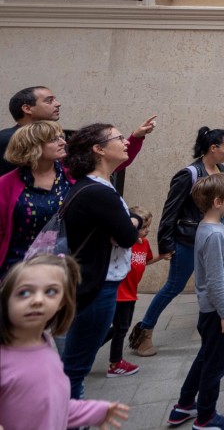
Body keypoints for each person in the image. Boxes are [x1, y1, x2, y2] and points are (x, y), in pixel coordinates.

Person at [130, 126, 224, 357]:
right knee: (174, 286)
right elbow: (170, 211)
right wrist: (165, 245)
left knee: (221, 283)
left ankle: (223, 329)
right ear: (213, 148)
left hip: (213, 238)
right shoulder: (189, 174)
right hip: (187, 241)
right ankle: (144, 332)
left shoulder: (221, 169)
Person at [0, 254, 130, 430]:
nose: (38, 300)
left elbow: (55, 409)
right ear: (6, 299)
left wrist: (94, 411)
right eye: (24, 292)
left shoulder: (45, 348)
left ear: (62, 302)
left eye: (51, 291)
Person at [59, 124, 141, 399]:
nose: (125, 141)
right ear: (99, 149)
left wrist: (124, 227)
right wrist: (136, 220)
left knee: (74, 362)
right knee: (76, 367)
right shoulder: (98, 191)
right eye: (119, 138)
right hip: (97, 285)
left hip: (93, 281)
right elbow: (129, 236)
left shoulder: (96, 186)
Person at [167, 172, 224, 430]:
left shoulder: (211, 227)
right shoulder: (213, 234)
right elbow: (214, 280)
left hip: (215, 308)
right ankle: (206, 418)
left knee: (205, 355)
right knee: (216, 364)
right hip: (216, 310)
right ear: (218, 202)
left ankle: (184, 405)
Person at [0, 87, 154, 178]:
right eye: (49, 100)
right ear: (27, 108)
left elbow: (103, 166)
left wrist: (136, 138)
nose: (58, 104)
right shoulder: (6, 140)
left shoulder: (64, 180)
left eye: (58, 138)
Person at [0, 121, 71, 278]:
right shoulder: (6, 184)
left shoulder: (72, 176)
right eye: (54, 139)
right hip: (17, 271)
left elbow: (110, 166)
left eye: (62, 137)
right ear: (33, 146)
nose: (63, 142)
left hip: (63, 271)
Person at [103, 206, 165, 378]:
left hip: (131, 293)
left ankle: (92, 346)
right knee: (120, 327)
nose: (146, 231)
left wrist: (162, 256)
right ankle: (115, 363)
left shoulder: (144, 244)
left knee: (120, 326)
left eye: (147, 228)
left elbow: (146, 261)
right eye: (143, 228)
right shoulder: (123, 243)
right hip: (120, 293)